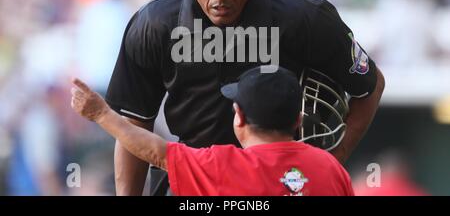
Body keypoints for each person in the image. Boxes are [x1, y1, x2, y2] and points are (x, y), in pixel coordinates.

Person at [105, 0, 385, 195]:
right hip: (194, 179)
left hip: (280, 183)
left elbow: (369, 86)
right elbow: (135, 122)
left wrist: (333, 158)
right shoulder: (155, 24)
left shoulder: (304, 18)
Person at [71, 66, 354, 196]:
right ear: (298, 120)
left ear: (238, 117)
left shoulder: (222, 166)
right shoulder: (330, 168)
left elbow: (155, 152)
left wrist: (101, 114)